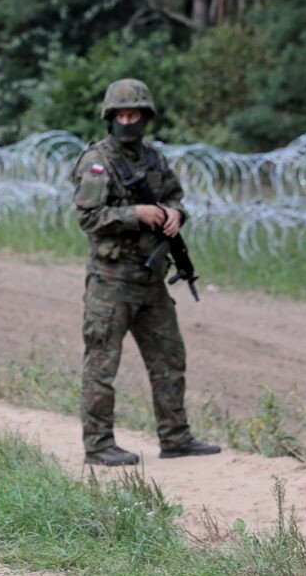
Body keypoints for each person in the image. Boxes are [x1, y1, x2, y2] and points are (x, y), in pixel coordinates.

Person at [70, 78, 221, 467]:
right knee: (102, 363)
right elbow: (89, 217)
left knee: (169, 358)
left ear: (145, 116)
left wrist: (174, 214)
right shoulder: (97, 162)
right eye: (120, 114)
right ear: (110, 117)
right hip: (111, 279)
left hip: (150, 278)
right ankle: (99, 444)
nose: (127, 120)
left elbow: (174, 195)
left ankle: (176, 437)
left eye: (134, 113)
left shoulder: (154, 159)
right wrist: (134, 213)